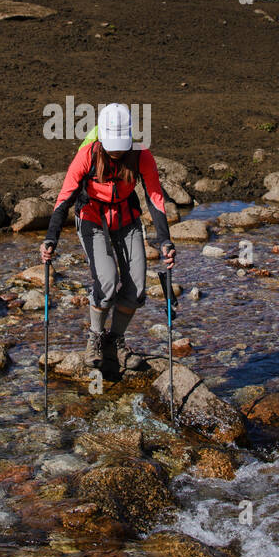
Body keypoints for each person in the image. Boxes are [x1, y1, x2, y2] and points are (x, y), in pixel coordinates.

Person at [40, 103, 176, 372]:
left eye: (121, 145)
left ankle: (115, 342)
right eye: (112, 145)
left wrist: (165, 241)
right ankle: (95, 338)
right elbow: (65, 197)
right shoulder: (87, 156)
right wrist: (50, 239)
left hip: (127, 219)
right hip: (92, 219)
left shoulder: (141, 156)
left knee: (136, 287)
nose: (116, 151)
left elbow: (155, 198)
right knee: (106, 281)